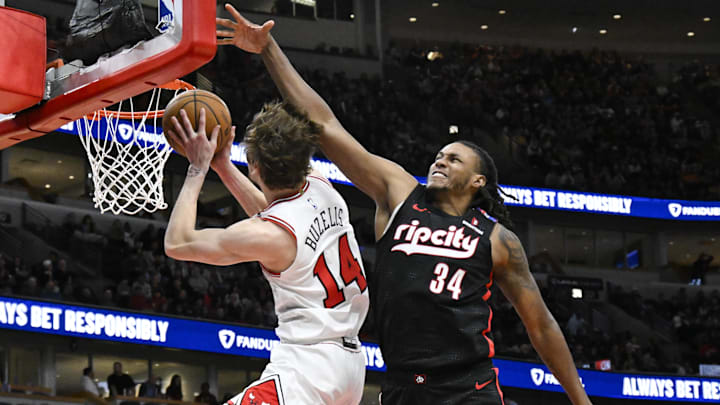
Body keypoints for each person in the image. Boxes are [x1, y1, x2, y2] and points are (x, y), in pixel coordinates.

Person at [216, 5, 592, 404]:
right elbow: (324, 125)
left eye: (454, 158)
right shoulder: (399, 193)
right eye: (439, 154)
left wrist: (580, 400)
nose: (440, 160)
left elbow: (542, 327)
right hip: (401, 387)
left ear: (478, 181)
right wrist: (268, 48)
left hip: (468, 388)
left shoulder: (497, 239)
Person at [163, 84, 368, 402]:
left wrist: (198, 167)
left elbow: (178, 242)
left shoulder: (267, 234)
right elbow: (274, 214)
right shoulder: (321, 187)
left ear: (255, 167)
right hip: (349, 365)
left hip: (307, 368)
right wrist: (223, 166)